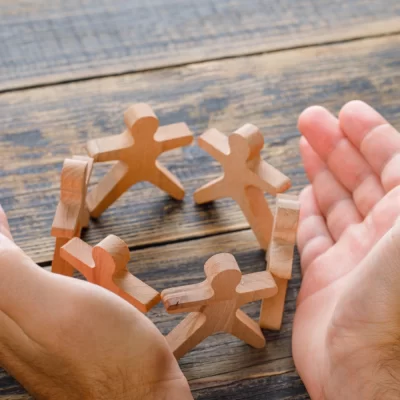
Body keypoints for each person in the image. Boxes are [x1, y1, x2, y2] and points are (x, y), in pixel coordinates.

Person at [0, 101, 399, 399]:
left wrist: (138, 388)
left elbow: (167, 298)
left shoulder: (207, 289)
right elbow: (167, 295)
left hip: (235, 196)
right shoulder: (217, 288)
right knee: (238, 216)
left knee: (254, 219)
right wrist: (367, 370)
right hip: (220, 192)